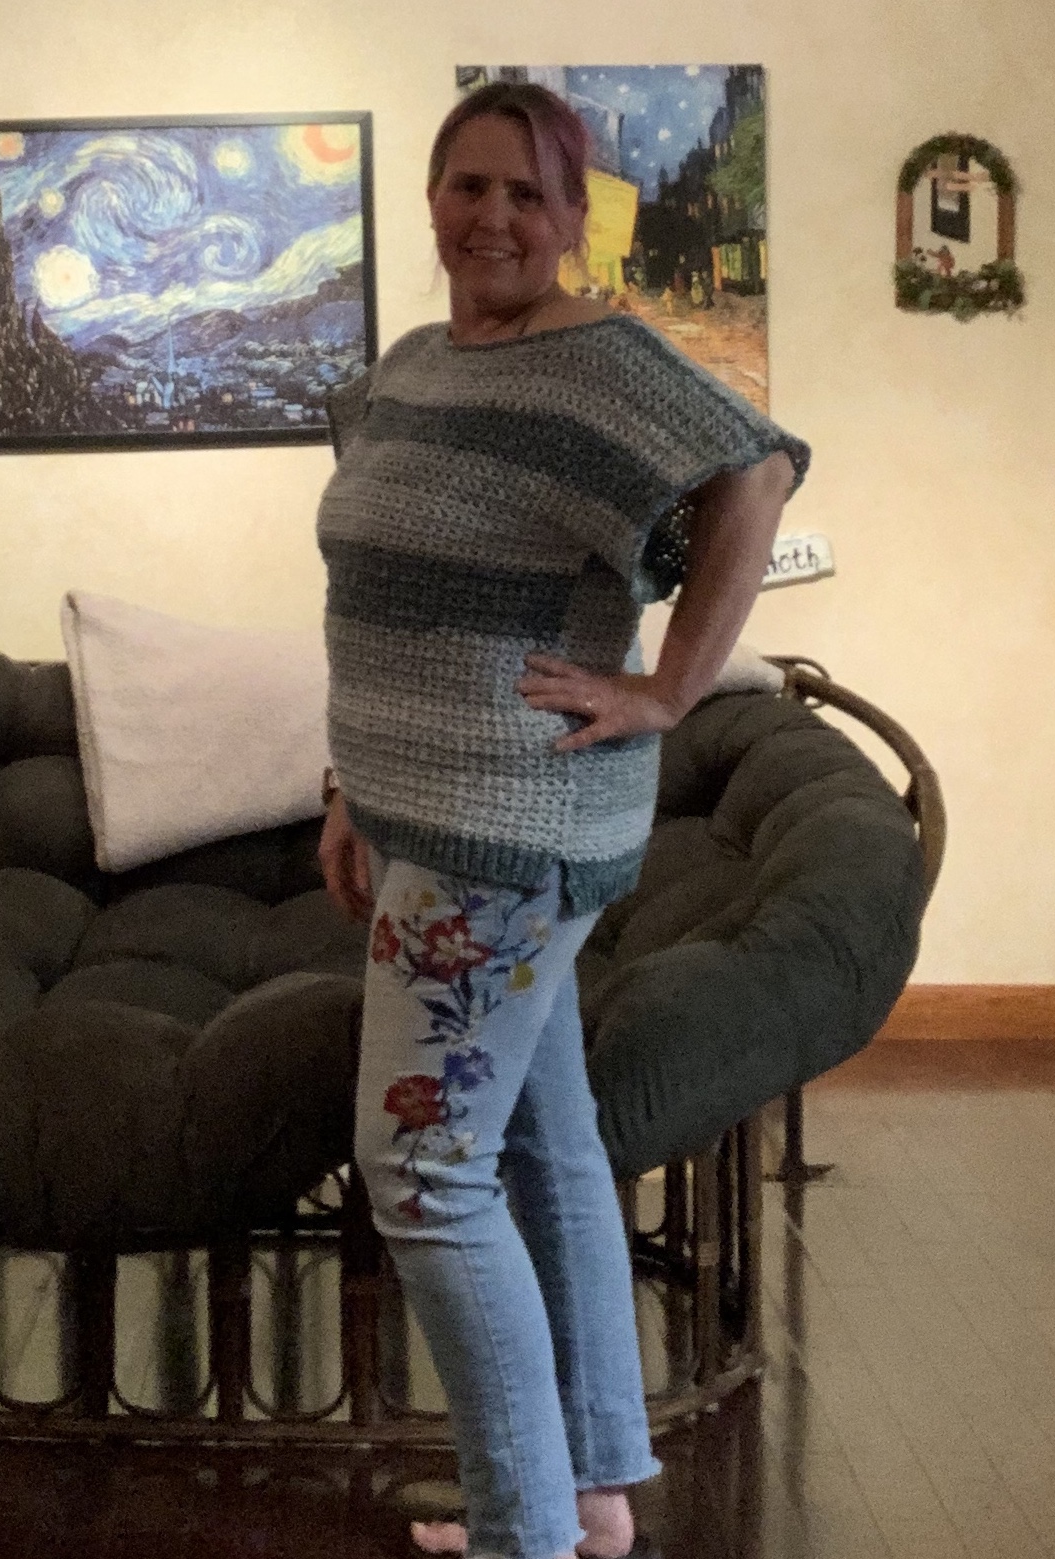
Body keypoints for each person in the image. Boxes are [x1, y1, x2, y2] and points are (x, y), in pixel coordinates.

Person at [317, 82, 809, 1559]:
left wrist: (668, 688)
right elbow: (380, 602)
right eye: (468, 186)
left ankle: (522, 1529)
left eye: (528, 193)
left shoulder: (598, 362)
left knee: (421, 1175)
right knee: (544, 1142)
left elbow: (755, 470)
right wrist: (348, 788)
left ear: (572, 215)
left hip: (507, 827)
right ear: (430, 199)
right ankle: (588, 1496)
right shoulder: (411, 369)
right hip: (423, 814)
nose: (494, 218)